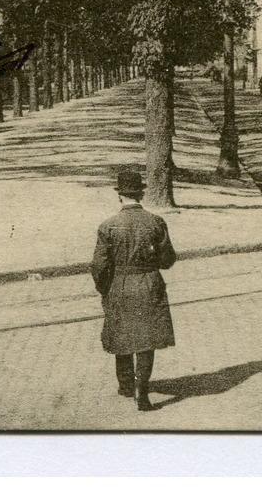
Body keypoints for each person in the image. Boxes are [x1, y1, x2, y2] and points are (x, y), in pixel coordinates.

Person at [92, 167, 178, 411]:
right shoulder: (156, 222)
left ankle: (126, 384)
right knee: (146, 338)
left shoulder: (108, 226)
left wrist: (104, 288)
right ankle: (142, 391)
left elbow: (98, 265)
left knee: (122, 333)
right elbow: (168, 260)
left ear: (120, 196)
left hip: (119, 285)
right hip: (149, 284)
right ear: (140, 195)